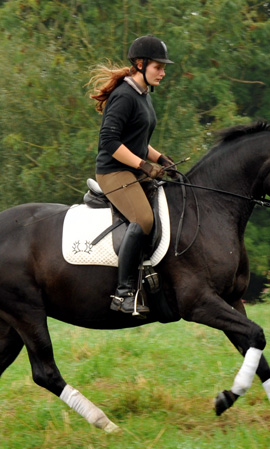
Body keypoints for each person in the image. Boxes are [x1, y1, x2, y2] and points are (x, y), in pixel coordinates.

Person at [88, 35, 175, 316]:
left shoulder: (144, 95)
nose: (163, 72)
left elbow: (136, 139)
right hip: (113, 172)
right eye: (158, 67)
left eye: (163, 68)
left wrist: (159, 158)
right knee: (144, 218)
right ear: (140, 64)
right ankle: (123, 293)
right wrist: (143, 165)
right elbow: (110, 143)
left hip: (133, 169)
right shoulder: (124, 96)